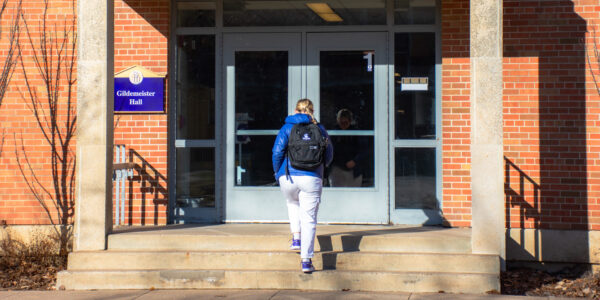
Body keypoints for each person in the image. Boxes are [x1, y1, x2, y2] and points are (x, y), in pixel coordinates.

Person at [272, 98, 333, 273]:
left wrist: (278, 172)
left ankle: (296, 238)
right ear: (312, 111)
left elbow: (277, 152)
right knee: (309, 219)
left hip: (288, 176)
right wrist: (320, 168)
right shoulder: (320, 129)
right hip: (312, 177)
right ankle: (306, 260)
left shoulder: (287, 127)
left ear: (296, 110)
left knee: (292, 203)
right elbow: (329, 154)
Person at [328, 109, 366, 187]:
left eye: (346, 123)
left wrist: (355, 161)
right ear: (338, 121)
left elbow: (364, 149)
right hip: (337, 169)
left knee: (354, 196)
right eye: (341, 123)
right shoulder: (333, 133)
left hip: (354, 171)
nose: (343, 125)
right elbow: (329, 150)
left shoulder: (357, 132)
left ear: (350, 121)